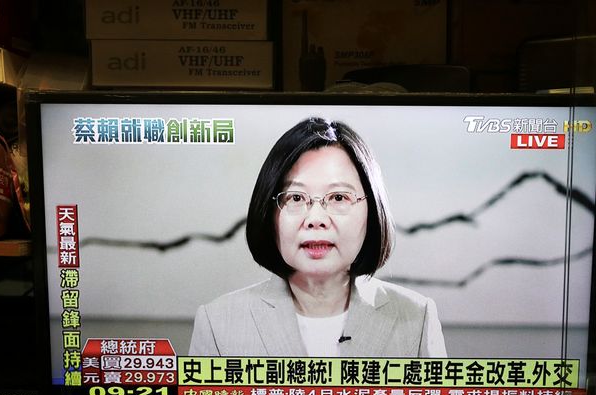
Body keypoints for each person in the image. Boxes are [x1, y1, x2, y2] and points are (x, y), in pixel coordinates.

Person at [189, 117, 446, 358]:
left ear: (371, 210)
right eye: (296, 198)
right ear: (269, 214)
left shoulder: (417, 317)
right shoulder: (218, 322)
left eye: (338, 197)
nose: (316, 218)